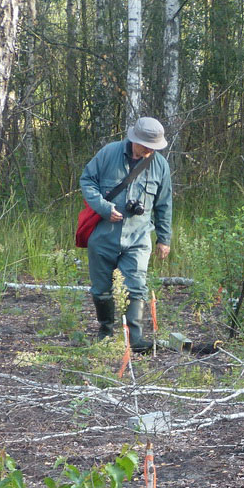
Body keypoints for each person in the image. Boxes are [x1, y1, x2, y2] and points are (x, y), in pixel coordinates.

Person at [79, 116, 172, 352]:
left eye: (154, 147)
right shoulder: (109, 153)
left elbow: (164, 204)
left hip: (139, 237)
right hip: (103, 235)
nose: (149, 150)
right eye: (145, 146)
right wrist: (102, 207)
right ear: (134, 140)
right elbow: (87, 180)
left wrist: (164, 238)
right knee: (101, 288)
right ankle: (106, 334)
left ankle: (135, 340)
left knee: (136, 285)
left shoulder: (160, 165)